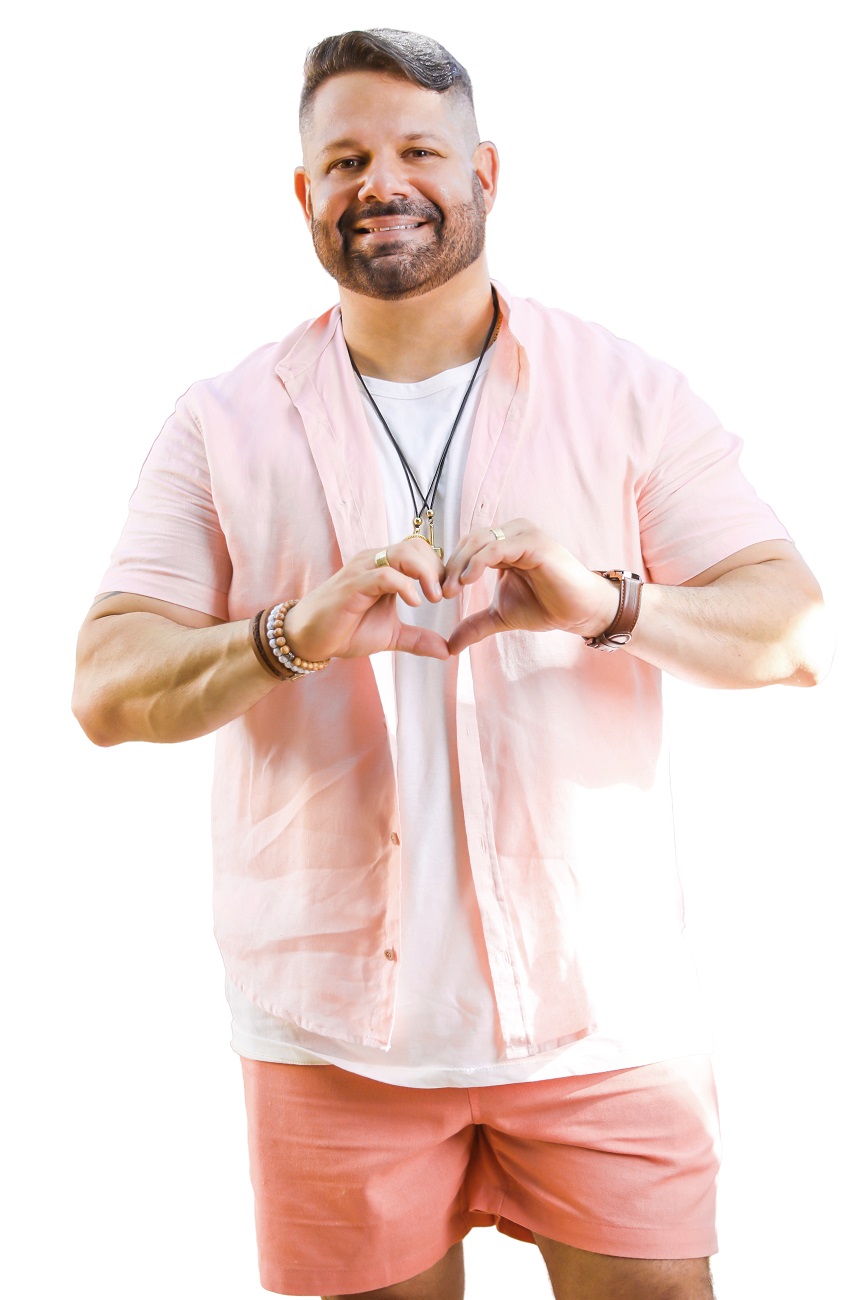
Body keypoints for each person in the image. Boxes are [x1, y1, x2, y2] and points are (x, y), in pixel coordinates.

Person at [72, 27, 830, 1300]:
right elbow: (105, 685)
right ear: (304, 191)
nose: (383, 181)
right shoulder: (219, 423)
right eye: (346, 159)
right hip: (328, 1035)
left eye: (419, 150)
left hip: (602, 1017)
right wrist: (287, 635)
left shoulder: (626, 392)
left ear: (485, 172)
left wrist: (608, 605)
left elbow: (790, 631)